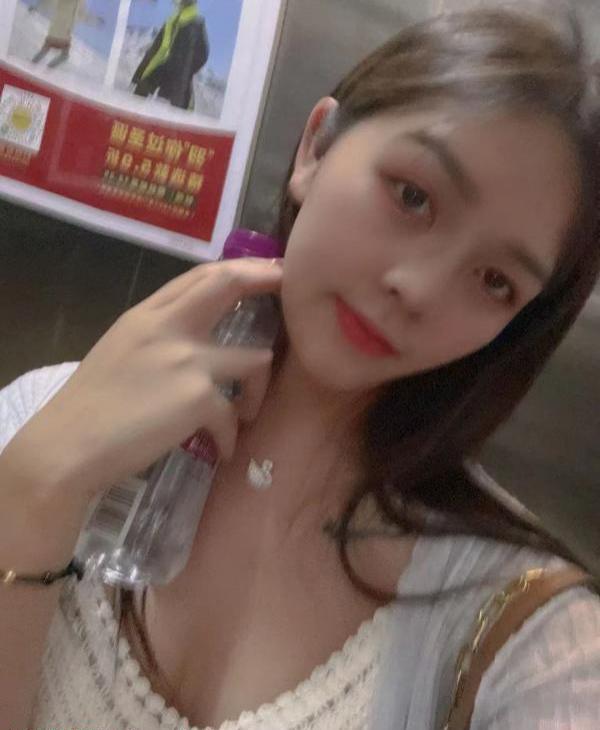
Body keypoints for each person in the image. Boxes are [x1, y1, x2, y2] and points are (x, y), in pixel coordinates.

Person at [1, 6, 600, 730]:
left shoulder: (535, 639)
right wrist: (33, 490)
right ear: (315, 147)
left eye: (495, 281)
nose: (417, 287)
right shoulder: (42, 417)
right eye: (412, 196)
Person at [132, 0, 209, 111]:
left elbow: (203, 55)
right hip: (166, 68)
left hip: (180, 82)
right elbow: (155, 50)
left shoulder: (197, 24)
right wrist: (139, 75)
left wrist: (186, 70)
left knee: (176, 112)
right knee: (140, 93)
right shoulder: (171, 22)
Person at [31, 0, 81, 69]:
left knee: (51, 51)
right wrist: (36, 7)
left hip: (62, 31)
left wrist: (36, 7)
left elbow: (80, 15)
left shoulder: (78, 3)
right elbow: (48, 2)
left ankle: (37, 65)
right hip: (60, 31)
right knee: (62, 54)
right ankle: (44, 67)